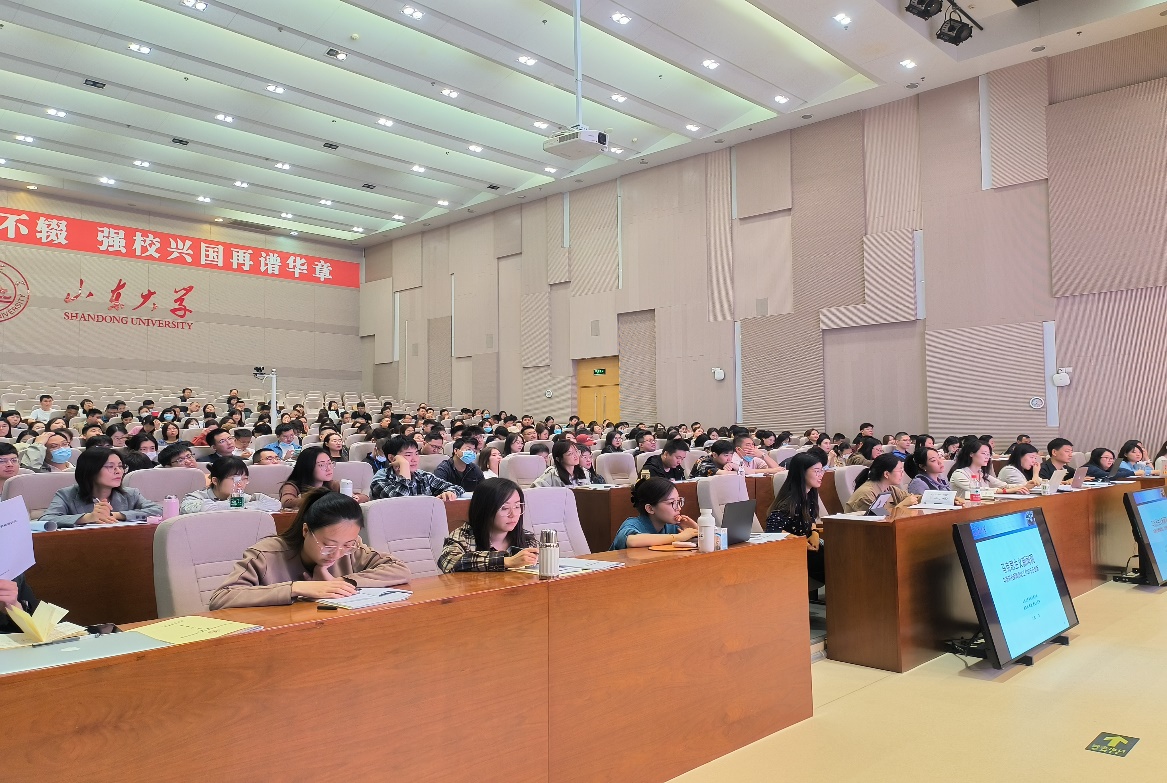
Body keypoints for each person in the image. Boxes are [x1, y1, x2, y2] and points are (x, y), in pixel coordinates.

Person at [209, 489, 410, 609]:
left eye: (347, 545)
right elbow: (222, 597)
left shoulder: (353, 549)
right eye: (328, 545)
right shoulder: (266, 554)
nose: (337, 554)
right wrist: (296, 588)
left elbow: (399, 569)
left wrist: (341, 582)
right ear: (306, 530)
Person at [41, 447, 162, 527]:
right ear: (90, 470)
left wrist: (117, 515)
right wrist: (87, 517)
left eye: (120, 466)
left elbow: (158, 511)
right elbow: (45, 520)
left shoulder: (131, 494)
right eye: (110, 466)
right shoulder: (66, 494)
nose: (118, 471)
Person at [436, 478, 538, 572]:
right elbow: (449, 562)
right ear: (485, 509)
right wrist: (506, 561)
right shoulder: (463, 536)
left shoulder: (526, 539)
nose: (513, 514)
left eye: (517, 506)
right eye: (505, 508)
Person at [765, 452, 825, 583]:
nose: (821, 475)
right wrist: (799, 541)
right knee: (836, 565)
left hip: (807, 547)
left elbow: (811, 518)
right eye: (816, 471)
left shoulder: (810, 494)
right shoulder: (788, 501)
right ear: (801, 473)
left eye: (822, 470)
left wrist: (814, 532)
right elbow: (772, 530)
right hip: (793, 552)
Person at [611, 477, 698, 550]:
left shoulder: (671, 526)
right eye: (671, 503)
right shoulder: (632, 524)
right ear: (650, 508)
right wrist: (678, 537)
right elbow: (632, 541)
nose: (679, 508)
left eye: (678, 501)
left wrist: (697, 530)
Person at [370, 435, 462, 500]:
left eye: (416, 454)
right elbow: (402, 501)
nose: (415, 459)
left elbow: (458, 488)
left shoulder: (422, 476)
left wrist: (449, 492)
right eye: (408, 455)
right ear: (391, 458)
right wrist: (404, 466)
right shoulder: (380, 479)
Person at [180, 456, 281, 514]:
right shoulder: (196, 497)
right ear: (215, 481)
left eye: (244, 479)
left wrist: (243, 505)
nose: (240, 484)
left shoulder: (241, 497)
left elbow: (275, 504)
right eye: (235, 479)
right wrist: (235, 505)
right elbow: (202, 509)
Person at [280, 447, 366, 509]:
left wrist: (355, 498)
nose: (328, 468)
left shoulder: (332, 484)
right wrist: (325, 499)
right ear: (308, 467)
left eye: (329, 463)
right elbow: (287, 502)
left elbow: (365, 497)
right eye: (321, 465)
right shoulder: (292, 486)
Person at [948, 439, 1027, 499]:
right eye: (983, 453)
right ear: (971, 454)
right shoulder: (959, 474)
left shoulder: (982, 474)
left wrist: (1026, 486)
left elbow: (1004, 485)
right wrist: (1005, 491)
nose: (987, 457)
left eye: (988, 454)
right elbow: (977, 491)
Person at [844, 454, 918, 514]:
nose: (902, 474)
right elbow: (881, 518)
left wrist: (922, 498)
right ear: (886, 474)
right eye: (899, 471)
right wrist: (903, 504)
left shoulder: (890, 488)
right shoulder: (866, 494)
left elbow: (911, 498)